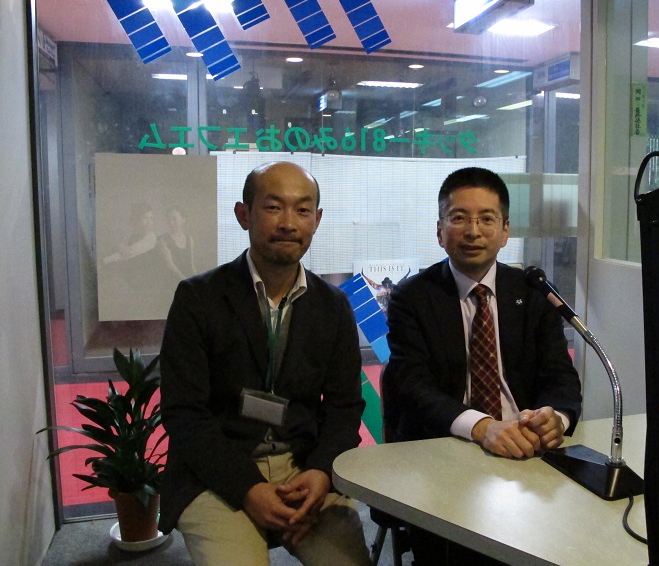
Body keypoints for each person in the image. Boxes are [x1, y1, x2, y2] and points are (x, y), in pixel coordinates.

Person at [158, 161, 371, 566]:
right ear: (244, 215)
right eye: (273, 207)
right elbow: (184, 413)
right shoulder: (198, 298)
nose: (288, 223)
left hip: (303, 467)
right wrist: (248, 489)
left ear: (317, 220)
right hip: (218, 471)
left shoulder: (333, 305)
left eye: (302, 210)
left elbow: (344, 407)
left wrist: (321, 472)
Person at [381, 166, 583, 565]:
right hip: (443, 452)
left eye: (487, 219)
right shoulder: (412, 297)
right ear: (440, 231)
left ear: (505, 231)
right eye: (459, 218)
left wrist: (554, 419)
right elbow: (412, 385)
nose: (473, 231)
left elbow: (561, 377)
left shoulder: (534, 292)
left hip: (527, 452)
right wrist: (483, 427)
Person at [158, 206, 196, 281]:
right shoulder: (163, 240)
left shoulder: (189, 239)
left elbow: (191, 263)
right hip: (172, 281)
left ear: (183, 220)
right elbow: (170, 266)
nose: (171, 222)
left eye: (174, 219)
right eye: (169, 219)